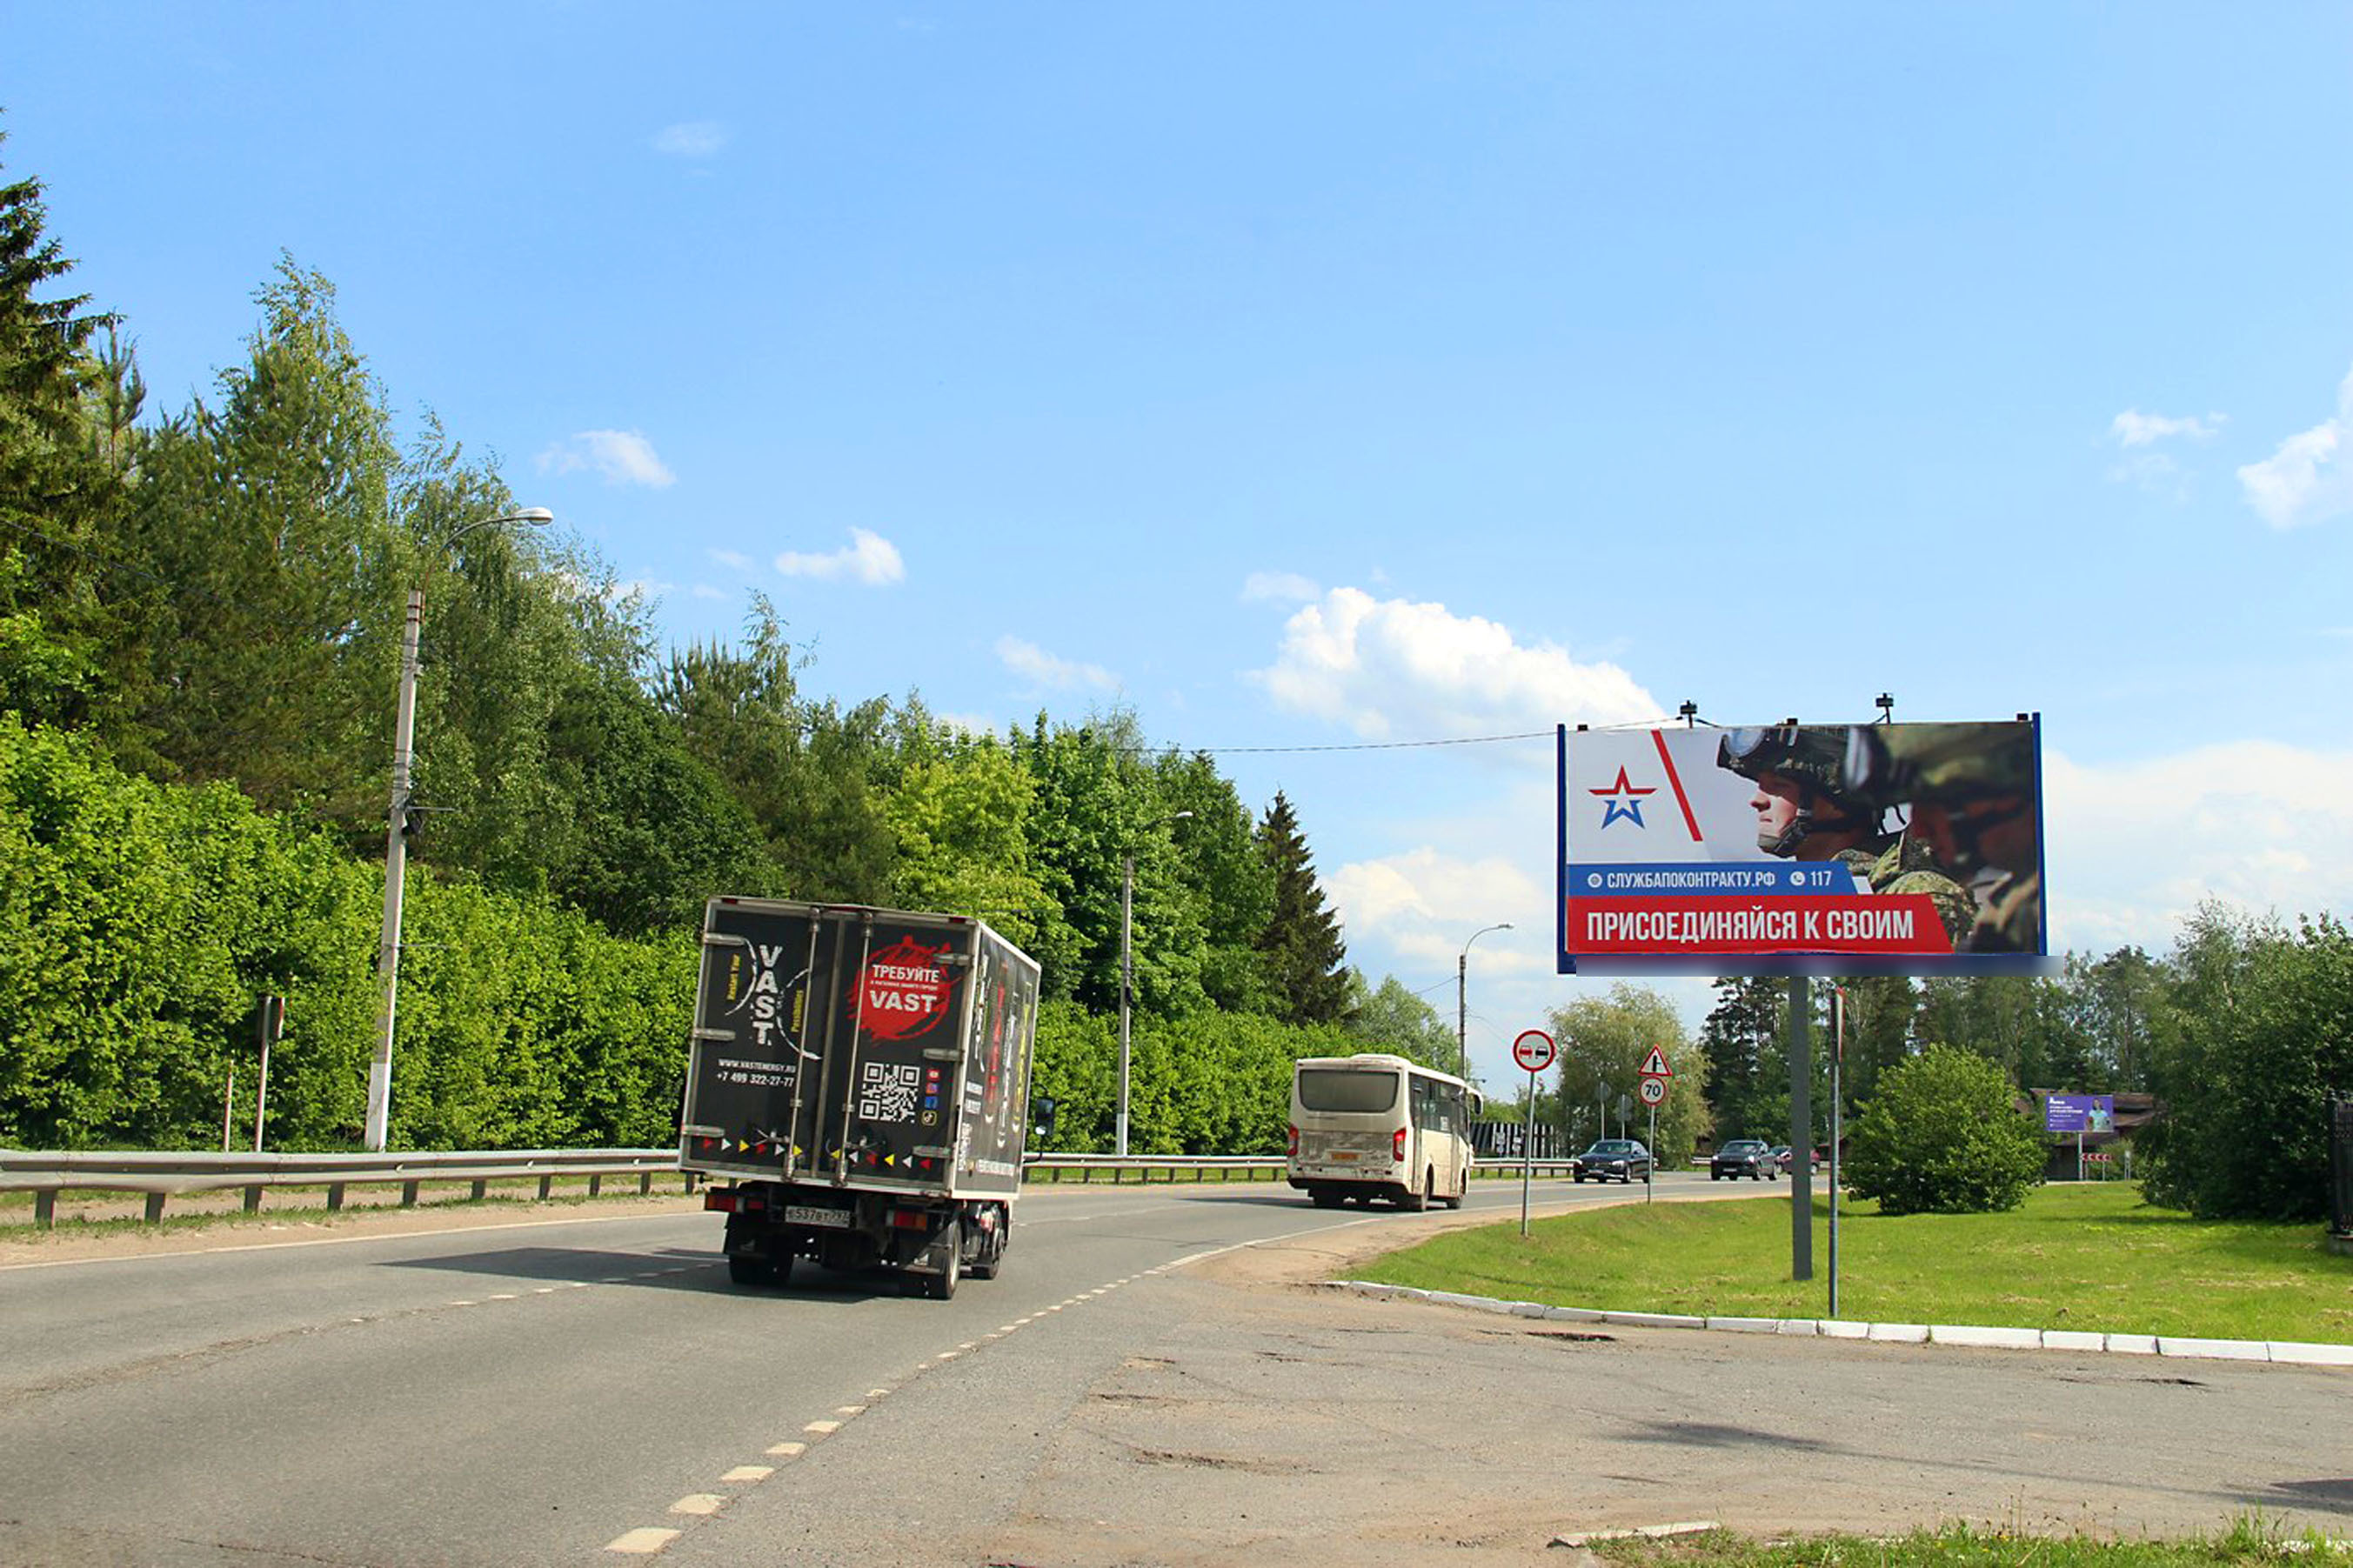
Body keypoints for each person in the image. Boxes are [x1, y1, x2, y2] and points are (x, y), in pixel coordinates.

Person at [1715, 725, 1974, 946]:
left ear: (1836, 801)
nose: (1756, 801)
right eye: (1760, 786)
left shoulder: (1912, 896)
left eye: (1778, 787)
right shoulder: (1782, 899)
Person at [1841, 722, 2042, 954]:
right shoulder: (2008, 908)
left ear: (2000, 795)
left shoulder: (2041, 908)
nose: (1921, 832)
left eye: (1934, 808)